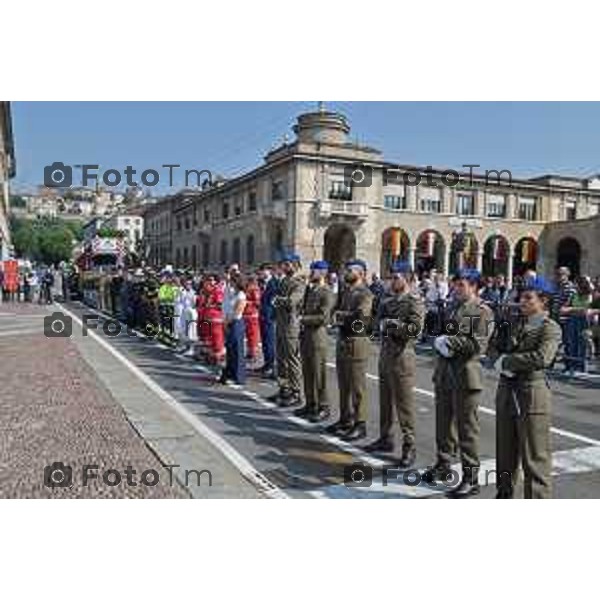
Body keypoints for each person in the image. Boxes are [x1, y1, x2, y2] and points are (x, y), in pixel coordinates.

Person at [422, 268, 494, 498]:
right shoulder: (454, 308)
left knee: (467, 430)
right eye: (455, 284)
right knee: (443, 425)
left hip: (465, 375)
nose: (456, 288)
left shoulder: (480, 311)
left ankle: (470, 478)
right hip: (445, 373)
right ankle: (443, 464)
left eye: (461, 284)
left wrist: (448, 342)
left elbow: (477, 345)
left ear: (474, 286)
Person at [488, 276, 562, 499]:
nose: (522, 301)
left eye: (529, 297)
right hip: (507, 393)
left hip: (531, 396)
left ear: (543, 301)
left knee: (535, 460)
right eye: (522, 296)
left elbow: (543, 357)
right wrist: (497, 361)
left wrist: (508, 362)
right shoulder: (513, 322)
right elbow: (492, 346)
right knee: (505, 455)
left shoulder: (550, 328)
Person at [365, 261, 424, 467]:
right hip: (386, 354)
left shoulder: (413, 301)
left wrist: (393, 325)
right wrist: (377, 324)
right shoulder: (386, 300)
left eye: (396, 277)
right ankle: (385, 437)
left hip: (402, 356)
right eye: (391, 277)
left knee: (404, 405)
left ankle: (410, 445)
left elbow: (415, 329)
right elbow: (377, 322)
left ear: (407, 278)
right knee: (385, 400)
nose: (392, 280)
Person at [326, 259, 374, 441]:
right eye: (346, 269)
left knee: (357, 387)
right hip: (344, 341)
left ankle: (360, 423)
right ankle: (345, 419)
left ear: (360, 273)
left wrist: (340, 317)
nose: (346, 272)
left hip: (356, 343)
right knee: (343, 385)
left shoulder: (365, 294)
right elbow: (335, 312)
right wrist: (342, 316)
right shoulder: (347, 292)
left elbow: (360, 319)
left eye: (350, 270)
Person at [296, 260, 334, 422]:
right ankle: (310, 404)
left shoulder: (326, 292)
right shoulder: (310, 290)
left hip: (318, 337)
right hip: (306, 336)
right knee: (308, 372)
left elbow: (324, 318)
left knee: (319, 374)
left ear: (323, 273)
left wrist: (303, 319)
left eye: (314, 271)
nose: (311, 273)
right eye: (311, 270)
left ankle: (323, 406)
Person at [268, 253, 306, 407]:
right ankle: (284, 388)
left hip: (291, 325)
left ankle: (296, 392)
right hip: (281, 323)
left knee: (292, 359)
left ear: (295, 264)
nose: (284, 266)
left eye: (287, 264)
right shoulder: (285, 280)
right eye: (283, 264)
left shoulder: (299, 282)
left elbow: (293, 301)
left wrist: (278, 301)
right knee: (281, 358)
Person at [219, 274, 247, 385]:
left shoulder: (241, 295)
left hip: (236, 323)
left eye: (232, 282)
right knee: (230, 350)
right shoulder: (232, 293)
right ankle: (230, 372)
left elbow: (237, 311)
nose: (230, 283)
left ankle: (239, 376)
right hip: (229, 322)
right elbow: (226, 301)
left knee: (237, 350)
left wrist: (227, 321)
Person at [257, 264, 278, 377]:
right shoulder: (263, 283)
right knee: (265, 341)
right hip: (263, 316)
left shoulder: (273, 283)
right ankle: (266, 364)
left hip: (270, 317)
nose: (260, 273)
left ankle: (271, 366)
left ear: (269, 271)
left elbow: (274, 301)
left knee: (270, 342)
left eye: (263, 271)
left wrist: (272, 315)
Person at [243, 275, 262, 361]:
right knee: (249, 335)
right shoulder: (247, 288)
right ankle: (250, 352)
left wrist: (247, 302)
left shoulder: (254, 289)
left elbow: (257, 302)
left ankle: (254, 354)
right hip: (246, 314)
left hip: (252, 315)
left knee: (253, 335)